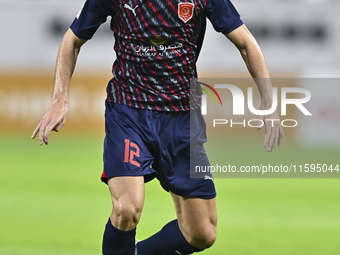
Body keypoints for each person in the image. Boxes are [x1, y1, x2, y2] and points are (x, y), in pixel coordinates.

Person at [32, 0, 283, 254]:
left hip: (182, 116)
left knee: (202, 233)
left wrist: (268, 101)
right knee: (127, 209)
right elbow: (71, 41)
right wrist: (60, 99)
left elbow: (247, 43)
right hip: (129, 111)